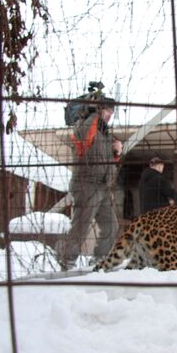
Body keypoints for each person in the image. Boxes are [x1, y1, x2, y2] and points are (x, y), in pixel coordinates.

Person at [58, 97, 123, 269]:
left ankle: (99, 260)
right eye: (108, 110)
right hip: (86, 184)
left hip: (102, 187)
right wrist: (94, 112)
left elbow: (108, 167)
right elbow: (86, 139)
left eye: (112, 112)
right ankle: (67, 261)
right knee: (81, 226)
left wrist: (116, 154)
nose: (110, 115)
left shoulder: (105, 135)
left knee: (112, 225)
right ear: (99, 109)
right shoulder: (85, 126)